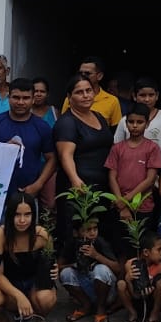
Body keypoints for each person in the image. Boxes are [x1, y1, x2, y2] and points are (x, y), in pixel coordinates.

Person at [0, 195, 57, 322]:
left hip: (34, 286)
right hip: (9, 288)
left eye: (27, 215)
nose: (22, 220)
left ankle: (38, 319)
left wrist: (55, 269)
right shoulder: (0, 235)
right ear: (9, 215)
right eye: (17, 214)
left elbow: (50, 264)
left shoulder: (42, 235)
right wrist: (19, 296)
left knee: (46, 297)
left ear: (33, 215)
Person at [53, 75, 115, 247]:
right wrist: (75, 180)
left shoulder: (99, 117)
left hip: (100, 188)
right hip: (78, 189)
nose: (86, 95)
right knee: (74, 237)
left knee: (98, 236)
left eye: (89, 90)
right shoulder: (67, 123)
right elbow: (65, 155)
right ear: (69, 97)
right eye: (79, 92)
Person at [0, 78, 57, 202]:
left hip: (28, 193)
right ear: (9, 98)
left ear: (32, 100)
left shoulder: (42, 127)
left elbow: (52, 158)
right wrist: (3, 149)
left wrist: (38, 185)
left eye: (25, 98)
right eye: (16, 97)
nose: (20, 102)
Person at [58, 213, 118, 322]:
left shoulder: (100, 242)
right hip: (87, 290)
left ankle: (101, 309)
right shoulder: (72, 243)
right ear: (76, 232)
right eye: (88, 229)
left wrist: (96, 255)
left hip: (107, 294)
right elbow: (59, 267)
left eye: (95, 228)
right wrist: (74, 265)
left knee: (100, 269)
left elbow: (118, 268)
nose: (92, 232)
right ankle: (86, 305)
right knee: (66, 273)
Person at [105, 106, 161, 223]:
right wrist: (122, 204)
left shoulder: (152, 148)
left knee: (142, 239)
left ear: (147, 124)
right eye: (131, 122)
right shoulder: (117, 148)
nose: (135, 125)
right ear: (126, 123)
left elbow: (150, 179)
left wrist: (126, 199)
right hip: (118, 204)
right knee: (120, 239)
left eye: (140, 122)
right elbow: (112, 176)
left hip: (143, 205)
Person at [121, 232, 161, 322]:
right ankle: (132, 313)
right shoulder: (130, 264)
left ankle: (154, 314)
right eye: (159, 250)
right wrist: (128, 280)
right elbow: (134, 295)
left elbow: (156, 290)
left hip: (150, 301)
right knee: (121, 284)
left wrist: (149, 287)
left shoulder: (160, 267)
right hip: (135, 298)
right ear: (146, 252)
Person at [60, 57, 122, 126]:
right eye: (80, 73)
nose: (83, 76)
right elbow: (64, 123)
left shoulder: (112, 101)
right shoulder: (71, 99)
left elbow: (116, 132)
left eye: (87, 73)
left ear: (99, 76)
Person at [113, 77, 161, 147]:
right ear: (134, 96)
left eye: (151, 95)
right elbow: (117, 146)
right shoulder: (125, 120)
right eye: (142, 95)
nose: (147, 99)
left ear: (157, 96)